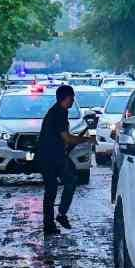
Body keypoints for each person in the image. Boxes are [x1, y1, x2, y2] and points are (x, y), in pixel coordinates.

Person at [38, 85, 92, 235]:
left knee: (68, 181)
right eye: (71, 98)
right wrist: (86, 140)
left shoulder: (60, 112)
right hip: (49, 157)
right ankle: (51, 222)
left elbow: (65, 138)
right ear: (65, 98)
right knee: (53, 189)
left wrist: (76, 140)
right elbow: (67, 137)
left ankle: (58, 217)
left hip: (56, 156)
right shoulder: (58, 113)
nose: (73, 101)